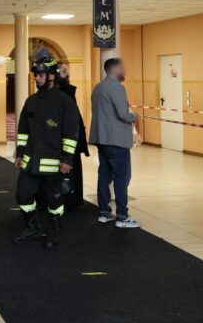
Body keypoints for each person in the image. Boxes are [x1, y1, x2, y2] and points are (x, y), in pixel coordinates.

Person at [13, 56, 80, 250]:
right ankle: (32, 227)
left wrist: (67, 160)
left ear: (52, 76)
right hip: (31, 162)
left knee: (54, 200)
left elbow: (71, 134)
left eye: (41, 74)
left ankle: (53, 230)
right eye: (35, 74)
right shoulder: (31, 101)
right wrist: (19, 153)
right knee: (22, 195)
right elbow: (23, 131)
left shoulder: (65, 102)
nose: (37, 78)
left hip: (54, 163)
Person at [89, 58, 141, 229]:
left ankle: (104, 213)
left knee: (104, 176)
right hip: (116, 140)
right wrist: (134, 116)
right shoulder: (117, 87)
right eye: (123, 67)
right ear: (115, 69)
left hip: (102, 139)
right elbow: (122, 114)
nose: (124, 71)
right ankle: (122, 216)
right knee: (122, 177)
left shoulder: (98, 88)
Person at [57, 63, 89, 210]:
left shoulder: (68, 92)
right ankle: (66, 201)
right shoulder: (62, 93)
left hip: (72, 140)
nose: (67, 73)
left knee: (72, 172)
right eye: (64, 71)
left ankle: (72, 200)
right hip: (64, 141)